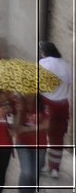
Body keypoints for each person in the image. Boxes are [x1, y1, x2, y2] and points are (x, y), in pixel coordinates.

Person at [41, 41, 71, 179]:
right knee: (58, 137)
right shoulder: (66, 65)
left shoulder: (44, 64)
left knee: (42, 134)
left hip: (48, 103)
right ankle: (55, 168)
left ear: (44, 52)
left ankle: (41, 165)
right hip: (63, 105)